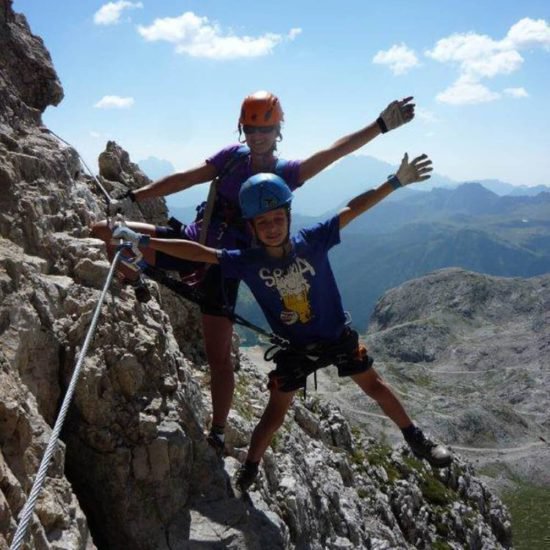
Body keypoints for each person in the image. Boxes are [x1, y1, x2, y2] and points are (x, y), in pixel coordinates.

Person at [93, 91, 416, 457]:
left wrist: (380, 126)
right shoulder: (231, 160)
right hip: (192, 241)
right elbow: (185, 179)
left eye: (265, 129)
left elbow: (332, 154)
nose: (257, 136)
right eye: (250, 129)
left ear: (278, 130)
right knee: (105, 231)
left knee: (218, 357)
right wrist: (135, 196)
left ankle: (217, 430)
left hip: (226, 267)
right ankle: (134, 280)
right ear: (242, 130)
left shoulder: (286, 173)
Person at [112, 151, 453, 490]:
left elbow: (353, 209)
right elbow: (200, 253)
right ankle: (251, 466)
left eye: (277, 219)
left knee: (375, 386)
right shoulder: (246, 260)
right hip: (297, 351)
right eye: (263, 223)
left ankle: (415, 438)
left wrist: (394, 182)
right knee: (274, 415)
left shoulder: (313, 241)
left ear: (288, 216)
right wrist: (145, 241)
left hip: (335, 338)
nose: (272, 228)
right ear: (251, 227)